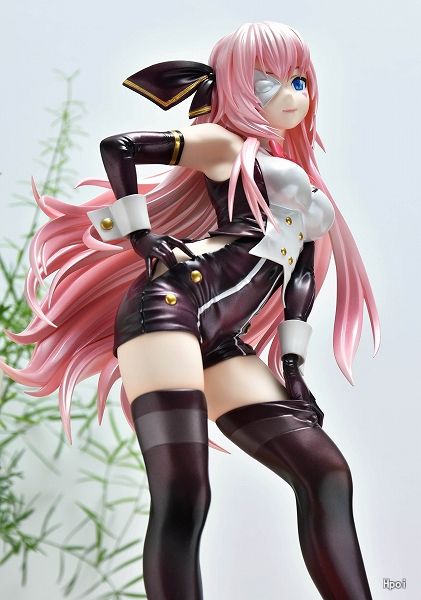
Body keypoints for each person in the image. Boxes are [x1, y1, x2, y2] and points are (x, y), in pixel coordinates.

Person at [1, 21, 380, 600]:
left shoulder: (305, 186)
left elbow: (298, 283)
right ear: (234, 88)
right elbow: (120, 148)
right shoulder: (225, 147)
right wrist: (141, 237)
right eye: (265, 82)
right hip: (170, 306)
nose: (289, 95)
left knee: (325, 473)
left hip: (224, 339)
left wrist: (294, 371)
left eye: (299, 80)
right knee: (184, 492)